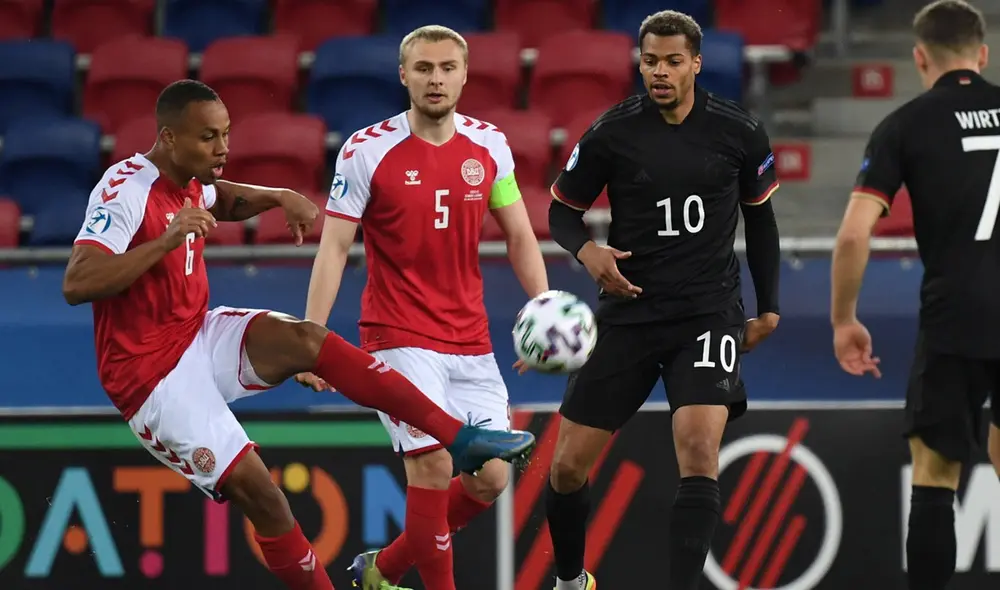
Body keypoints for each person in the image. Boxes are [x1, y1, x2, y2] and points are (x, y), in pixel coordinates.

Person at [62, 79, 536, 590]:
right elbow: (78, 282)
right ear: (169, 138)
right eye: (209, 138)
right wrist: (168, 239)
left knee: (305, 339)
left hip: (195, 332)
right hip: (150, 377)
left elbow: (222, 198)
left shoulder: (193, 173)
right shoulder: (126, 188)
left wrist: (278, 197)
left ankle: (459, 438)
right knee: (262, 494)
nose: (222, 149)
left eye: (226, 134)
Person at [295, 24, 550, 590]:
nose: (436, 79)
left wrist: (542, 315)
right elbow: (335, 245)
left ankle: (381, 572)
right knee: (432, 465)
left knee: (487, 481)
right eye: (425, 68)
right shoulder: (366, 150)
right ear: (404, 75)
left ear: (464, 75)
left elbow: (519, 235)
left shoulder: (490, 145)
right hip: (398, 336)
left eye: (447, 68)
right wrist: (310, 338)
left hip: (471, 339)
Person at [541, 10, 782, 590]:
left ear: (696, 63)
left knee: (699, 449)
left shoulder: (739, 131)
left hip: (707, 313)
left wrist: (768, 304)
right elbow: (560, 211)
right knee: (567, 467)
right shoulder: (611, 131)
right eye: (650, 61)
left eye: (674, 61)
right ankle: (572, 581)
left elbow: (763, 221)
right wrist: (588, 252)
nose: (661, 72)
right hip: (628, 316)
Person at [831, 2, 1000, 589]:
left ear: (919, 57)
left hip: (955, 316)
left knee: (934, 479)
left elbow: (854, 233)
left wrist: (844, 319)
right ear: (982, 55)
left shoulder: (905, 125)